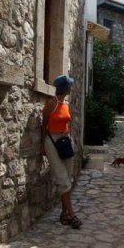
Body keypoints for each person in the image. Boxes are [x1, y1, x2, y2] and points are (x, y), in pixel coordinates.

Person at [41, 74, 82, 229]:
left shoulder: (65, 104)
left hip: (65, 141)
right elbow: (43, 125)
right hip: (52, 141)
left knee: (68, 177)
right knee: (62, 178)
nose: (72, 87)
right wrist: (41, 145)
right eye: (70, 85)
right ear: (65, 88)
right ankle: (71, 214)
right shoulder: (51, 103)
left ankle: (64, 214)